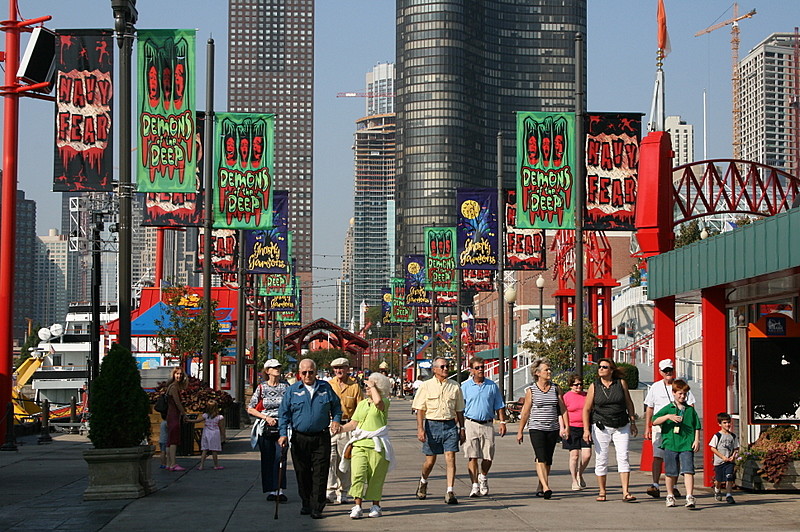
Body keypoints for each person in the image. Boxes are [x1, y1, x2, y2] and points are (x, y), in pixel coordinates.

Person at [278, 359, 342, 520]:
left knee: (320, 473)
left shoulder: (325, 388)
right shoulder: (292, 390)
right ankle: (306, 503)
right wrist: (283, 434)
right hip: (300, 438)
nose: (308, 375)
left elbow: (336, 407)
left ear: (316, 372)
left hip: (321, 437)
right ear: (299, 373)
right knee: (302, 472)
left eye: (311, 372)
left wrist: (336, 420)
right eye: (304, 372)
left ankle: (317, 506)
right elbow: (283, 414)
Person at [339, 372, 395, 519]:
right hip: (359, 444)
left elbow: (378, 403)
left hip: (377, 446)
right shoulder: (362, 404)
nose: (366, 388)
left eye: (370, 385)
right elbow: (353, 423)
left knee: (375, 476)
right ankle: (357, 505)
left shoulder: (384, 402)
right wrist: (339, 429)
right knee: (357, 474)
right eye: (366, 385)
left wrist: (373, 385)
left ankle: (375, 505)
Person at [582, 357, 638, 502]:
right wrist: (586, 430)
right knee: (602, 458)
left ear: (612, 370)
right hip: (601, 425)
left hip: (621, 424)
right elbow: (587, 409)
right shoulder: (594, 386)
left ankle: (625, 492)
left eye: (605, 367)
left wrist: (632, 421)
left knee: (623, 456)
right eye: (599, 366)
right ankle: (602, 491)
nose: (601, 369)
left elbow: (629, 403)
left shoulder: (621, 384)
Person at [411, 356, 465, 504]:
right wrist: (420, 429)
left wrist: (462, 428)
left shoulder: (455, 386)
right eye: (442, 366)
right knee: (430, 461)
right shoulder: (426, 386)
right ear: (434, 369)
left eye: (447, 366)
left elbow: (459, 410)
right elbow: (420, 409)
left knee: (450, 458)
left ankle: (450, 491)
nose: (446, 369)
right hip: (432, 425)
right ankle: (423, 481)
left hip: (450, 426)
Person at [516, 357, 569, 499]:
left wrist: (566, 426)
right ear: (538, 373)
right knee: (540, 457)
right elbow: (526, 411)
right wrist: (520, 431)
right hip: (536, 428)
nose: (549, 372)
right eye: (546, 370)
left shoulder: (556, 388)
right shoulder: (531, 391)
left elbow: (563, 409)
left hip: (552, 427)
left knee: (548, 459)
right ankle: (546, 487)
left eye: (549, 369)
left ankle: (541, 485)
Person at [644, 358, 697, 498]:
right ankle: (655, 484)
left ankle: (673, 486)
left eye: (670, 370)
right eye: (665, 370)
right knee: (658, 456)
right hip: (660, 425)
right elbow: (650, 408)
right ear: (660, 371)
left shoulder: (681, 386)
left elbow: (691, 406)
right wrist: (647, 427)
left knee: (676, 455)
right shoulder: (655, 387)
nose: (668, 373)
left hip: (679, 428)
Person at [461, 356, 507, 497]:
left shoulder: (492, 386)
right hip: (470, 423)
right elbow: (459, 408)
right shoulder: (465, 387)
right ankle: (474, 485)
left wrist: (502, 422)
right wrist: (460, 427)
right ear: (471, 370)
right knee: (472, 455)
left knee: (488, 456)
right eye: (477, 368)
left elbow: (499, 405)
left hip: (487, 424)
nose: (481, 370)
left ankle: (483, 476)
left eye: (482, 367)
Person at [652, 379, 701, 508]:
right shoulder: (668, 408)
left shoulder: (690, 410)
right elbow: (654, 420)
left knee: (688, 470)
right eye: (679, 393)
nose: (682, 396)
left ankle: (689, 496)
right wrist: (668, 417)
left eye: (684, 394)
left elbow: (697, 425)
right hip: (670, 444)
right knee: (671, 472)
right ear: (673, 393)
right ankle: (669, 495)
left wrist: (696, 440)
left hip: (686, 444)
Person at [247, 359, 289, 502]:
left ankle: (280, 489)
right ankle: (271, 490)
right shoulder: (261, 388)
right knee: (268, 459)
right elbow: (250, 408)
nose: (277, 369)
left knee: (280, 457)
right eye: (274, 367)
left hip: (282, 426)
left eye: (278, 366)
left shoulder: (286, 386)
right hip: (266, 426)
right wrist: (265, 417)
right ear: (267, 371)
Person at [326, 357, 364, 505]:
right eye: (336, 368)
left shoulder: (354, 387)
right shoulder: (328, 385)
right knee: (330, 459)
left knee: (344, 460)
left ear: (348, 369)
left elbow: (360, 409)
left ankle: (343, 492)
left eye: (341, 368)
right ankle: (329, 491)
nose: (338, 371)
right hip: (330, 426)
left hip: (347, 426)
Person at [562, 373, 591, 491]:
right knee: (574, 455)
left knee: (587, 455)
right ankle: (574, 480)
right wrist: (564, 428)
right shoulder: (566, 396)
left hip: (585, 428)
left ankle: (580, 473)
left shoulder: (586, 395)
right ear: (570, 385)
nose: (579, 387)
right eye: (576, 385)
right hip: (572, 427)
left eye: (580, 384)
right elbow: (562, 413)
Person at [709, 412, 739, 504]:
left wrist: (733, 456)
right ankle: (717, 489)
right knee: (719, 479)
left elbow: (736, 448)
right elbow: (712, 448)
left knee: (729, 477)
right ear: (720, 424)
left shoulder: (733, 436)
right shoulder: (717, 436)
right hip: (719, 462)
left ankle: (729, 495)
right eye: (725, 423)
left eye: (729, 422)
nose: (727, 425)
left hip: (729, 461)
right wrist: (722, 457)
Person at [165, 367, 188, 471]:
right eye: (177, 374)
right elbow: (177, 402)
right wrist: (184, 413)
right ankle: (173, 463)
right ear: (173, 375)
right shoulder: (174, 387)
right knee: (173, 440)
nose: (179, 376)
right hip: (174, 415)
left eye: (181, 374)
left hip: (170, 415)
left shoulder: (171, 386)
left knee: (170, 440)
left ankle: (169, 463)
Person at [193, 399, 225, 470]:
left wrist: (189, 420)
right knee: (214, 450)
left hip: (206, 433)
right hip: (215, 434)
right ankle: (216, 465)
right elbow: (221, 427)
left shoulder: (205, 416)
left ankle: (201, 465)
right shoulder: (219, 417)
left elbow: (198, 420)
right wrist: (223, 435)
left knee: (204, 450)